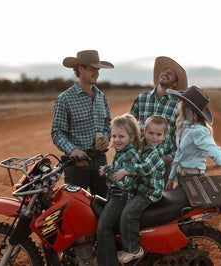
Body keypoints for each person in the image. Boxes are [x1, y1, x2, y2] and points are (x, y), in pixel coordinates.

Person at [51, 50, 114, 198]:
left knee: (103, 205)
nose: (97, 73)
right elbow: (57, 132)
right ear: (80, 68)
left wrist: (106, 137)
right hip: (77, 164)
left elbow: (107, 123)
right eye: (93, 69)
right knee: (74, 208)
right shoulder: (65, 99)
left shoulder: (101, 97)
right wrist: (73, 151)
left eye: (98, 69)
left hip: (100, 161)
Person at [165, 86, 221, 191]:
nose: (177, 102)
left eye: (180, 101)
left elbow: (217, 154)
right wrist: (171, 178)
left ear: (186, 107)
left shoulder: (199, 131)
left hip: (194, 180)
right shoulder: (183, 126)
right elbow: (179, 154)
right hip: (181, 178)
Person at [114, 115, 167, 264]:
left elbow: (145, 168)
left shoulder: (156, 153)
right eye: (151, 133)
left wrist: (126, 170)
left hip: (149, 192)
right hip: (140, 187)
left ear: (164, 136)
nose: (154, 137)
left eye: (158, 134)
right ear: (144, 132)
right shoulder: (143, 144)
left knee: (129, 212)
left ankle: (133, 249)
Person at [129, 56, 187, 183]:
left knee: (163, 200)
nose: (165, 73)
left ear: (175, 83)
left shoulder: (178, 106)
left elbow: (182, 137)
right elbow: (129, 127)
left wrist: (170, 158)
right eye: (164, 71)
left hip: (164, 163)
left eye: (170, 73)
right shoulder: (141, 98)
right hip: (140, 159)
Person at [97, 114, 142, 266]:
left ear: (132, 136)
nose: (116, 140)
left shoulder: (131, 154)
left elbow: (125, 183)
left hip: (121, 196)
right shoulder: (122, 152)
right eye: (114, 136)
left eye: (121, 136)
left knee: (103, 228)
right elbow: (118, 171)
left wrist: (108, 172)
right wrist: (110, 169)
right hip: (115, 194)